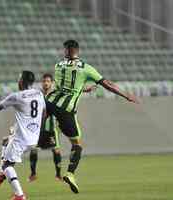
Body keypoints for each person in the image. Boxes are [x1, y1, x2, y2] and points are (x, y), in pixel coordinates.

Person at [46, 39, 139, 193]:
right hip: (66, 110)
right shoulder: (86, 68)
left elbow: (64, 87)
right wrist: (126, 95)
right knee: (77, 144)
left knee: (31, 130)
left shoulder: (58, 65)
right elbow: (107, 84)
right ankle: (70, 174)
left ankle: (8, 160)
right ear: (77, 50)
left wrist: (83, 89)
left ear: (66, 51)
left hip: (48, 103)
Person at [0, 71, 46, 200]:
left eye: (19, 78)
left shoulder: (16, 96)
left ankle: (19, 195)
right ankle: (0, 175)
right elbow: (44, 112)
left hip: (21, 139)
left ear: (21, 81)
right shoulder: (39, 94)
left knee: (8, 165)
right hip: (34, 138)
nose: (18, 81)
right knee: (6, 141)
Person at [28, 73, 97, 182]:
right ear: (41, 83)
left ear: (51, 83)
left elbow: (69, 91)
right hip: (38, 130)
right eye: (44, 81)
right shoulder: (38, 95)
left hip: (51, 129)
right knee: (33, 150)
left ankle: (58, 175)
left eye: (48, 81)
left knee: (56, 151)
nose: (46, 83)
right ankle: (33, 174)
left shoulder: (55, 93)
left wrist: (84, 90)